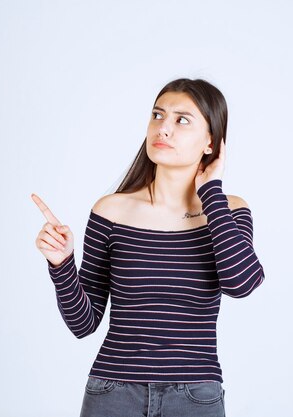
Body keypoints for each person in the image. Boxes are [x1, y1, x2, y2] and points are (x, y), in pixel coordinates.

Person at [31, 78, 266, 417]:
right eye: (158, 115)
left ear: (211, 142)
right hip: (113, 393)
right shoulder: (111, 210)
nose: (164, 128)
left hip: (195, 396)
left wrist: (211, 191)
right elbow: (83, 324)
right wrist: (62, 264)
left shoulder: (227, 209)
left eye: (182, 120)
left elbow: (241, 284)